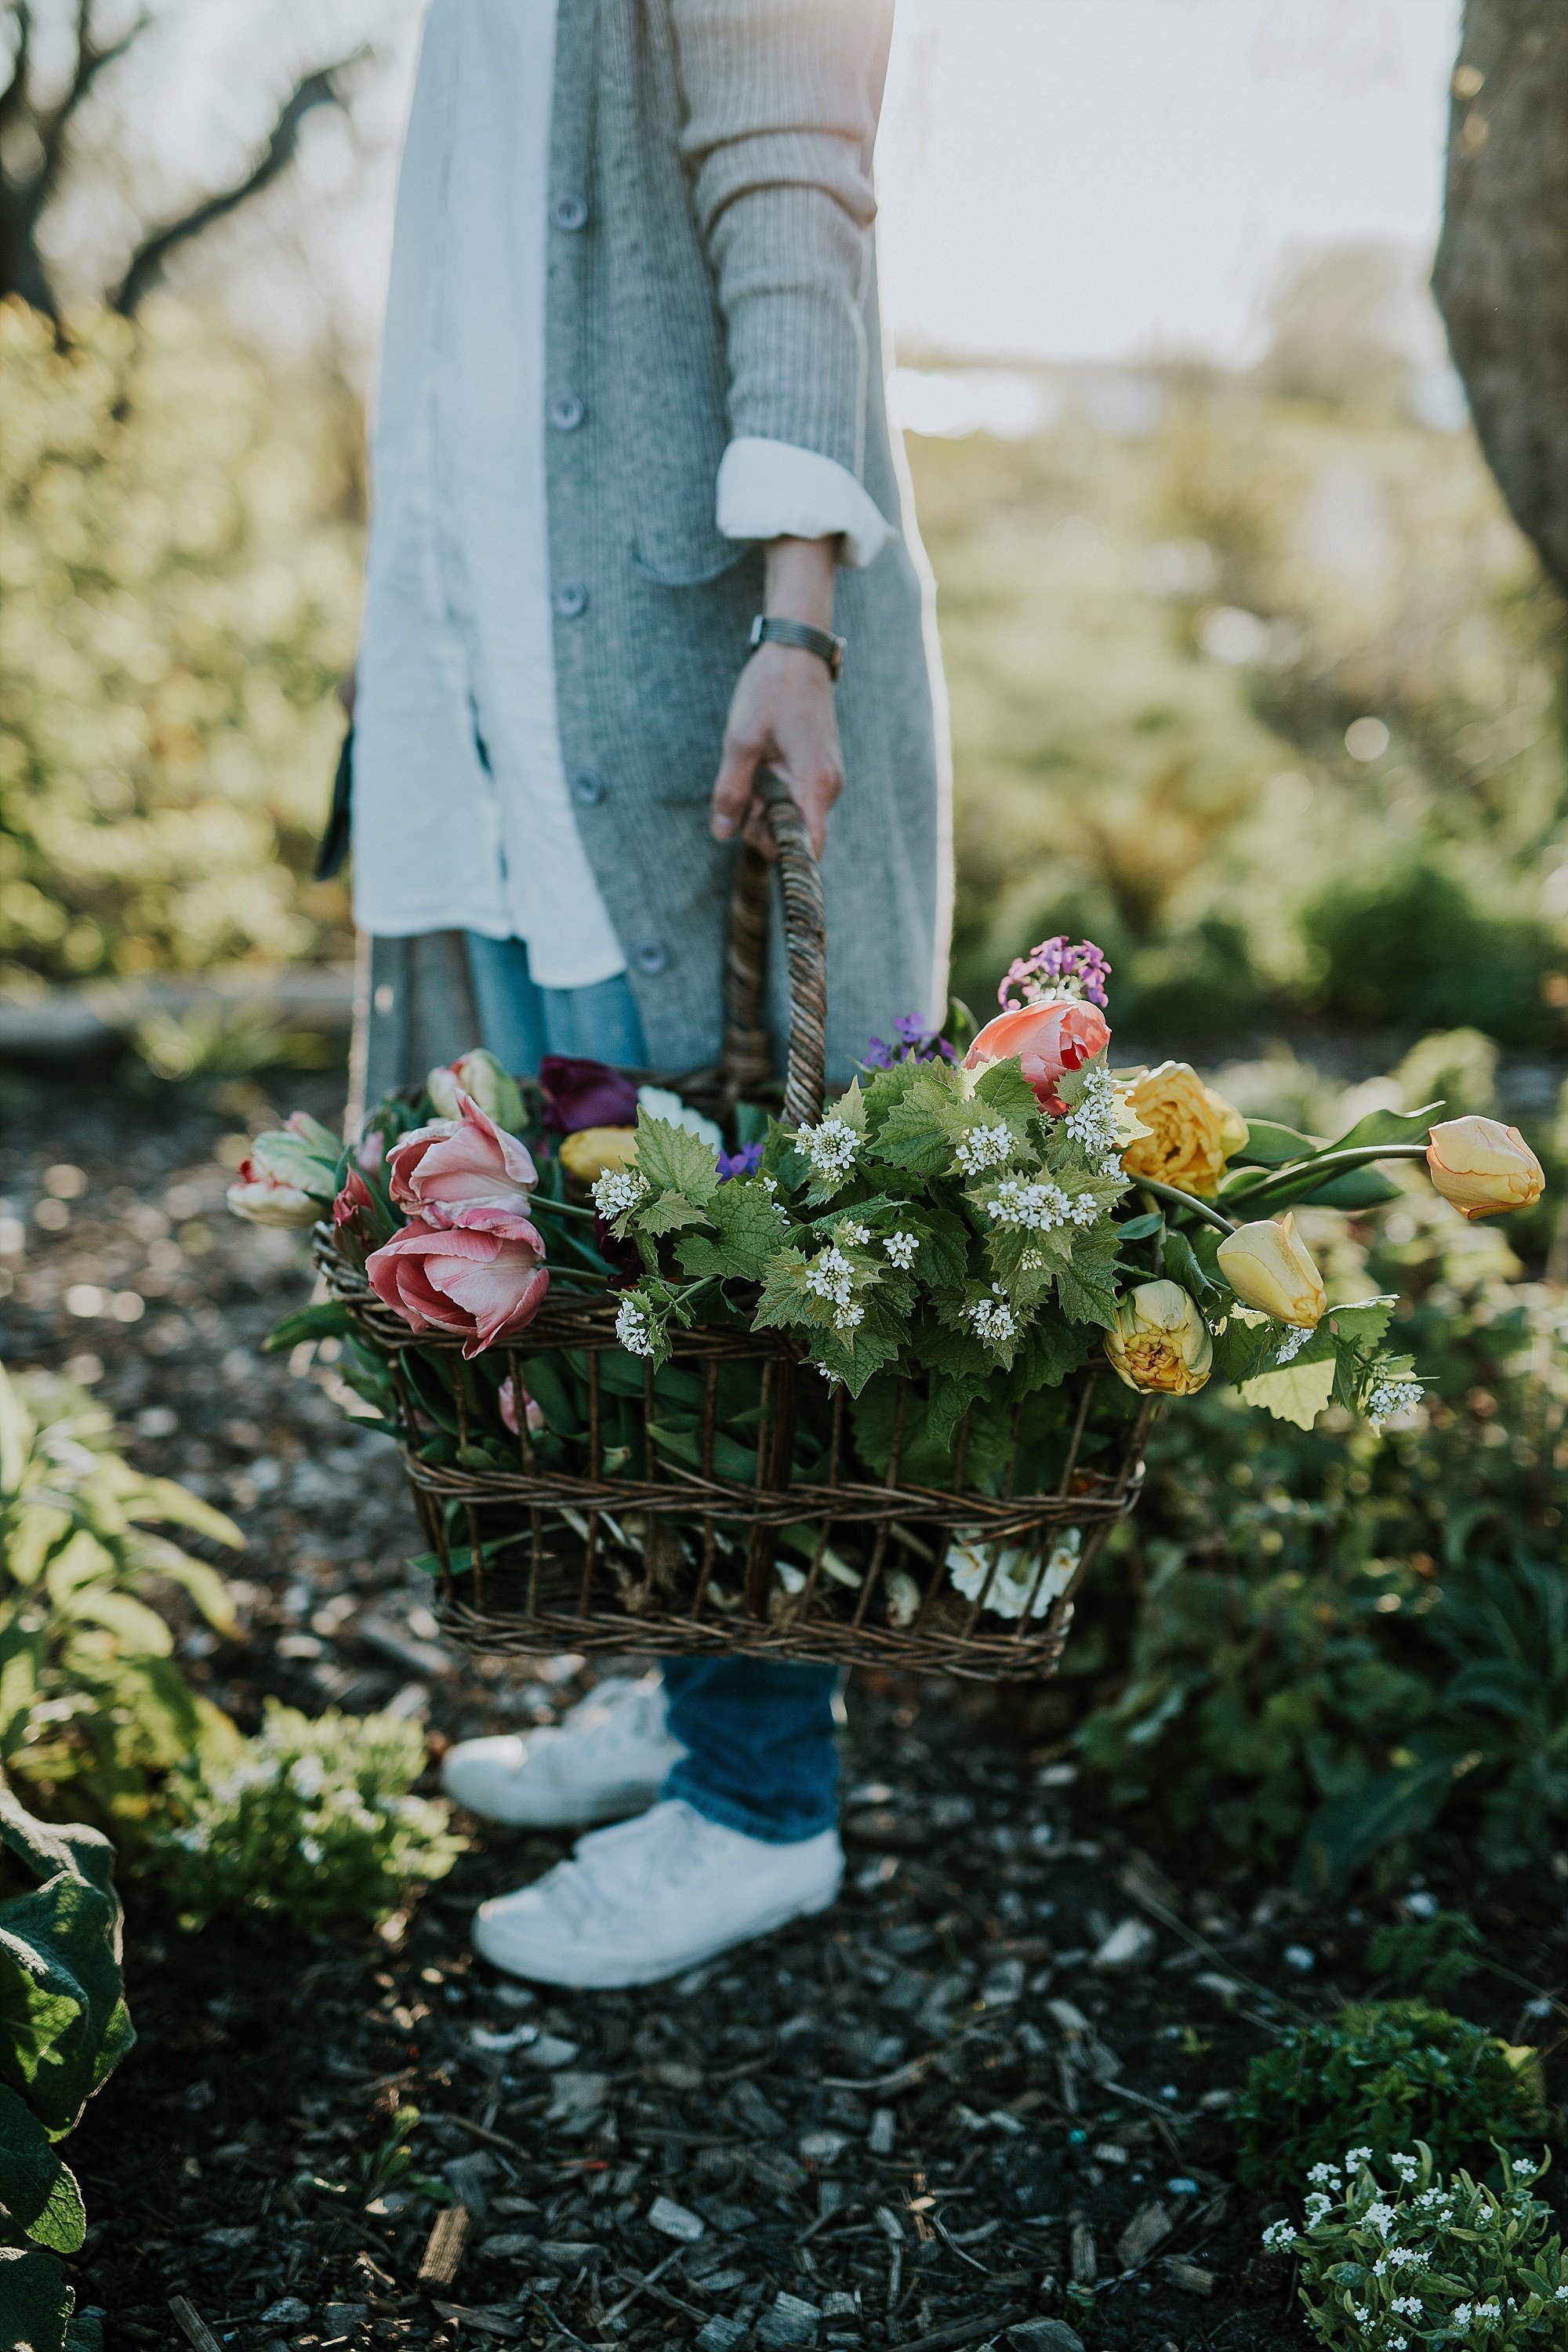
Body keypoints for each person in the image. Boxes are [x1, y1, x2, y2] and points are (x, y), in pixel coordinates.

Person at [350, 0, 948, 1988]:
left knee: (722, 1259)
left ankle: (764, 1806)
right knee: (602, 1247)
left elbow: (796, 171)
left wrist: (798, 618)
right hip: (513, 689)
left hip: (674, 685)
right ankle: (689, 1692)